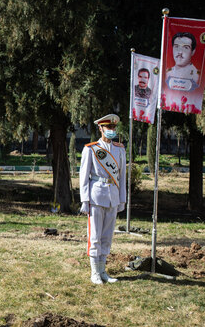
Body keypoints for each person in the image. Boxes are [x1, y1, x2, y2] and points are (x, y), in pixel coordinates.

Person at [79, 114, 126, 285]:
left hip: (113, 196)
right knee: (95, 236)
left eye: (113, 128)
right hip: (96, 196)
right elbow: (84, 176)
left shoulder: (120, 149)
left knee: (107, 236)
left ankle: (103, 271)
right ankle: (94, 272)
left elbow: (122, 177)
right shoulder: (91, 149)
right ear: (100, 128)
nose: (111, 130)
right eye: (108, 127)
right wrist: (84, 200)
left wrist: (122, 199)